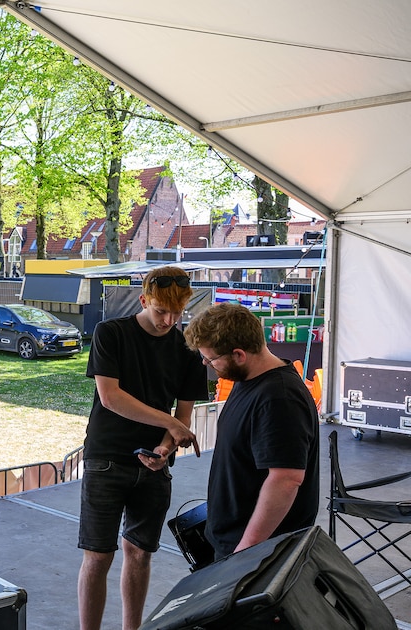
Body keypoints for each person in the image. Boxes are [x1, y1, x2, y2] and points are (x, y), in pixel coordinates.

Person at [78, 265, 206, 630]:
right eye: (161, 311)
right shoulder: (111, 333)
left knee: (140, 554)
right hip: (106, 457)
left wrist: (165, 450)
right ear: (143, 299)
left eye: (177, 313)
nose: (169, 320)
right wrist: (170, 425)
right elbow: (111, 397)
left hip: (154, 466)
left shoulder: (187, 350)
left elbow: (184, 413)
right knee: (98, 556)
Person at [183, 302, 319, 560]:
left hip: (258, 554)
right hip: (235, 543)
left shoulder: (279, 398)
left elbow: (286, 479)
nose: (205, 363)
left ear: (239, 355)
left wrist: (244, 552)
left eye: (210, 358)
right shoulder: (249, 380)